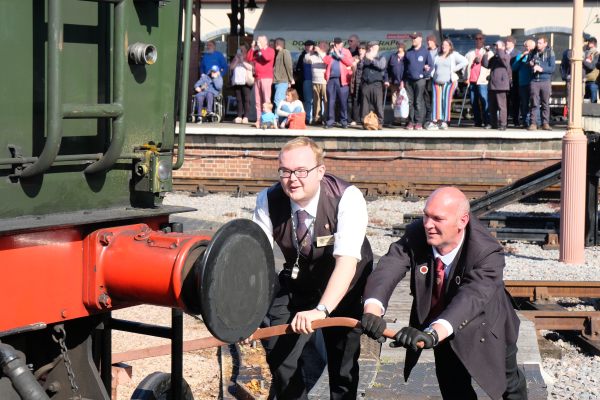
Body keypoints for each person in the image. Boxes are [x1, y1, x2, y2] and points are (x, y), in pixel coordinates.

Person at [361, 186, 528, 400]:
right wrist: (372, 309)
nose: (428, 225)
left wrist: (433, 333)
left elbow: (472, 297)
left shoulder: (487, 252)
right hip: (441, 323)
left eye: (437, 219)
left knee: (507, 385)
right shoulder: (417, 233)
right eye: (426, 216)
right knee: (453, 387)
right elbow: (390, 265)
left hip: (487, 324)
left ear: (462, 221)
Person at [253, 137, 373, 400]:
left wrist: (322, 310)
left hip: (346, 284)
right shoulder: (268, 200)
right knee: (280, 352)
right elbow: (255, 262)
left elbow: (346, 262)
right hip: (299, 281)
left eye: (301, 171)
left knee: (343, 367)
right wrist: (244, 315)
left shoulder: (347, 197)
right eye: (285, 171)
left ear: (320, 171)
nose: (292, 179)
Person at [431, 39, 467, 130]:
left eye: (446, 45)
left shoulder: (453, 55)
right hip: (437, 81)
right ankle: (436, 120)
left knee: (445, 99)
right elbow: (433, 66)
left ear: (450, 46)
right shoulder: (437, 56)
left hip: (449, 82)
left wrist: (455, 69)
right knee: (436, 100)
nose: (444, 47)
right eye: (443, 45)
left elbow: (465, 61)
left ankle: (444, 121)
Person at [404, 32, 434, 130]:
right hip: (408, 80)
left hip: (420, 80)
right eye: (412, 38)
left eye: (415, 38)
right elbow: (404, 67)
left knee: (418, 101)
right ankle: (411, 122)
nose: (413, 40)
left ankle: (419, 122)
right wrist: (402, 80)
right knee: (410, 101)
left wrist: (424, 75)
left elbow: (431, 65)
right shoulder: (408, 52)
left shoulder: (425, 52)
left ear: (420, 39)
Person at [323, 37, 354, 129]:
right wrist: (331, 52)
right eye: (335, 43)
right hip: (331, 80)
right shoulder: (331, 52)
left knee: (343, 102)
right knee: (331, 102)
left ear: (342, 44)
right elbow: (325, 61)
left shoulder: (346, 52)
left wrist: (339, 55)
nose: (337, 45)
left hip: (342, 80)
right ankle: (330, 121)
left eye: (339, 43)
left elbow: (349, 63)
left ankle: (343, 121)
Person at [527, 35, 555, 131]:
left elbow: (552, 68)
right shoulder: (532, 52)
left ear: (545, 44)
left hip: (545, 81)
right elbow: (528, 62)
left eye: (540, 43)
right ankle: (533, 123)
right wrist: (530, 63)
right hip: (534, 81)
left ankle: (545, 123)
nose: (538, 45)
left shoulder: (550, 52)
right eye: (537, 43)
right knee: (534, 103)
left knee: (545, 103)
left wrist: (541, 69)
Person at [247, 35, 275, 128]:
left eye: (259, 41)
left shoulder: (270, 50)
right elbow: (249, 59)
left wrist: (261, 49)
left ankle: (268, 121)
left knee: (266, 100)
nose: (258, 42)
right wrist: (252, 48)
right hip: (257, 78)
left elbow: (267, 58)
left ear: (265, 42)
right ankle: (259, 120)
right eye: (257, 41)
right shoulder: (257, 51)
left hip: (266, 78)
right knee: (258, 101)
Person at [465, 34, 493, 128]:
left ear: (483, 40)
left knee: (484, 100)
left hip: (483, 80)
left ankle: (487, 121)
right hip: (472, 80)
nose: (478, 40)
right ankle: (477, 121)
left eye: (480, 39)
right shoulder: (470, 53)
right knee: (473, 101)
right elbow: (465, 66)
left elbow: (491, 65)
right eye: (476, 39)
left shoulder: (488, 52)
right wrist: (466, 78)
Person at [483, 40, 512, 130]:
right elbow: (486, 65)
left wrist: (500, 49)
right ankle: (493, 123)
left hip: (501, 85)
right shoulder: (495, 57)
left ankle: (503, 124)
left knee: (501, 106)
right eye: (495, 46)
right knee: (492, 106)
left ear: (503, 47)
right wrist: (486, 54)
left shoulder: (506, 56)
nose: (496, 48)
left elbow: (504, 60)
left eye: (497, 46)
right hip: (492, 85)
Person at [361, 41, 387, 129]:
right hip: (366, 84)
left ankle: (379, 123)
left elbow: (382, 66)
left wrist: (371, 59)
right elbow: (360, 67)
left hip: (376, 84)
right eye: (371, 47)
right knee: (365, 105)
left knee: (378, 104)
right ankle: (365, 122)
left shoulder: (381, 57)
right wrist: (363, 58)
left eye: (375, 47)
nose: (372, 49)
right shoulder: (365, 57)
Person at [512, 39, 536, 127]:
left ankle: (534, 121)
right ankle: (525, 121)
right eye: (525, 46)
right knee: (524, 103)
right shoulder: (520, 56)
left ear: (533, 47)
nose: (527, 48)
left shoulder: (535, 55)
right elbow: (514, 67)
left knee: (533, 103)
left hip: (533, 82)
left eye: (529, 46)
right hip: (522, 83)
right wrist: (522, 56)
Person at [229, 43, 253, 124]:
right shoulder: (236, 57)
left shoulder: (249, 57)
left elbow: (251, 68)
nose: (241, 51)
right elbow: (231, 67)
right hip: (237, 81)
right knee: (239, 99)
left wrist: (242, 61)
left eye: (242, 49)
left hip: (246, 81)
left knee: (246, 99)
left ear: (246, 49)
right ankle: (239, 116)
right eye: (240, 49)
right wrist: (236, 59)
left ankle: (245, 116)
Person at [306, 41, 329, 125]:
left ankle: (326, 118)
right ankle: (317, 118)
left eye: (321, 46)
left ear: (325, 47)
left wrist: (319, 52)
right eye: (319, 46)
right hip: (315, 81)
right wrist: (310, 52)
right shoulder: (314, 56)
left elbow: (326, 61)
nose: (319, 47)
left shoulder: (327, 55)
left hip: (324, 81)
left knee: (326, 100)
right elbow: (306, 60)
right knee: (316, 101)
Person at [296, 40, 315, 123]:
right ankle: (308, 117)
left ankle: (318, 117)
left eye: (309, 45)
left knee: (318, 100)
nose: (307, 47)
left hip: (317, 80)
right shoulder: (302, 55)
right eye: (306, 45)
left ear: (313, 46)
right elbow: (298, 68)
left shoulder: (318, 54)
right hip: (306, 80)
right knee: (307, 100)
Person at [273, 38, 295, 110]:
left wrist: (290, 79)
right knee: (278, 100)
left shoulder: (285, 52)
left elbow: (289, 66)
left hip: (282, 81)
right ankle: (278, 118)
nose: (275, 45)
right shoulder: (278, 53)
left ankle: (278, 118)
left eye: (277, 43)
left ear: (281, 44)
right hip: (277, 81)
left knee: (278, 100)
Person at [388, 42, 406, 126]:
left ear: (404, 47)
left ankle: (405, 119)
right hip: (394, 83)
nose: (399, 47)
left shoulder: (407, 57)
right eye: (398, 46)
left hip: (404, 83)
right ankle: (397, 119)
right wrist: (388, 80)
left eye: (401, 46)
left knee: (404, 101)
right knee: (395, 101)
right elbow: (388, 69)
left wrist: (404, 81)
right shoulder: (393, 56)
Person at [424, 34, 439, 130]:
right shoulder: (426, 51)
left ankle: (436, 119)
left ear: (433, 41)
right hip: (428, 78)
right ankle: (428, 119)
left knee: (436, 99)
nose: (428, 43)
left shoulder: (439, 51)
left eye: (429, 41)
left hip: (437, 78)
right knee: (427, 99)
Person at [350, 42, 367, 126]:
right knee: (355, 100)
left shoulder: (368, 58)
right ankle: (354, 119)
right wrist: (354, 64)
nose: (361, 50)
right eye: (359, 48)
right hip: (356, 82)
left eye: (363, 49)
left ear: (366, 50)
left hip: (365, 82)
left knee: (364, 100)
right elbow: (349, 67)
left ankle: (364, 118)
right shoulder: (355, 58)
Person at [505, 36, 521, 127]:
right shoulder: (502, 53)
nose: (506, 43)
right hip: (504, 81)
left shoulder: (518, 53)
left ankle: (516, 120)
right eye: (506, 41)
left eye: (508, 41)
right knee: (505, 101)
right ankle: (505, 120)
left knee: (516, 101)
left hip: (515, 80)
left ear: (513, 43)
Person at [583, 37, 599, 103]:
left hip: (593, 81)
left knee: (593, 103)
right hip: (585, 80)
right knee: (586, 102)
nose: (586, 44)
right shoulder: (586, 53)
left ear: (592, 44)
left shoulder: (596, 54)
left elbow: (592, 66)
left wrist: (583, 61)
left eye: (588, 42)